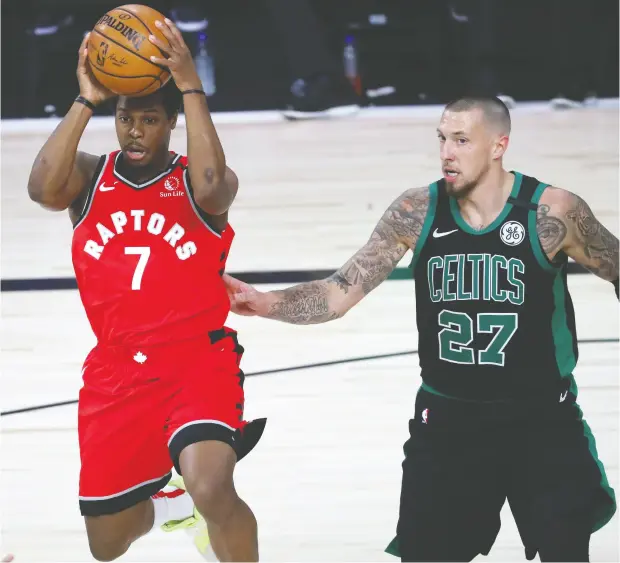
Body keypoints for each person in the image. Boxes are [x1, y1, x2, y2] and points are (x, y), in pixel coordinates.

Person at [222, 96, 619, 561]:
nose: (446, 152)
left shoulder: (552, 211)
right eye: (442, 139)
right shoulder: (416, 210)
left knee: (565, 553)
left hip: (543, 422)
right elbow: (339, 291)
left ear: (499, 145)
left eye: (461, 140)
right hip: (449, 424)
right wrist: (266, 302)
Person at [27, 19, 265, 563]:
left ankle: (196, 498)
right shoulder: (88, 179)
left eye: (150, 120)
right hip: (117, 372)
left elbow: (212, 185)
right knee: (105, 546)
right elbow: (41, 188)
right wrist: (86, 99)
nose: (135, 131)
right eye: (125, 118)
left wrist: (189, 85)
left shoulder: (203, 182)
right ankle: (169, 505)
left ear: (172, 124)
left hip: (195, 361)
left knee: (213, 486)